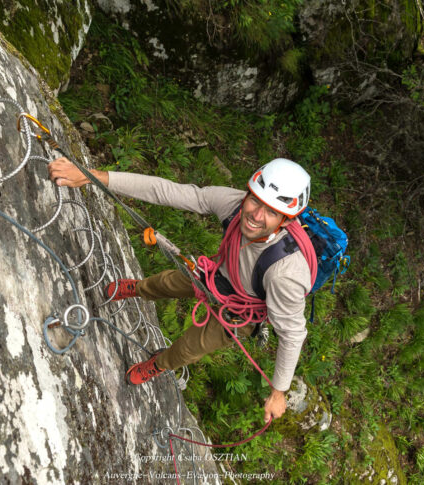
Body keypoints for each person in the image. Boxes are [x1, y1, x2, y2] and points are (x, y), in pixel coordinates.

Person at [47, 157, 313, 422]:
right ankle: (138, 289)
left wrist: (279, 392)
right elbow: (169, 191)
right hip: (216, 276)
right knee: (164, 283)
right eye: (255, 200)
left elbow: (292, 334)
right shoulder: (234, 204)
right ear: (249, 193)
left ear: (286, 221)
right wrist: (93, 175)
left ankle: (158, 364)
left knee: (187, 350)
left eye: (272, 212)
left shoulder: (286, 273)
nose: (256, 215)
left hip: (239, 313)